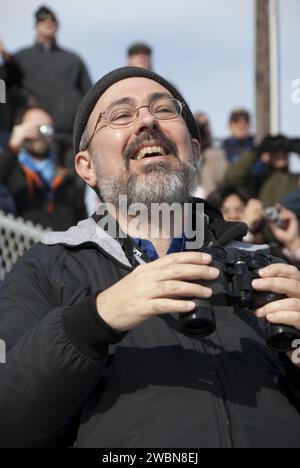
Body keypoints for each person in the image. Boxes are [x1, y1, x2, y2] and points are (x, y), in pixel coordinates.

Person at [1, 67, 300, 449]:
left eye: (164, 110)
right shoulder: (47, 268)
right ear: (86, 166)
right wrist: (93, 321)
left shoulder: (266, 268)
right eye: (121, 115)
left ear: (193, 149)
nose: (147, 121)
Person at [0, 6, 92, 164]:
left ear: (57, 25)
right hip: (34, 141)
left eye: (52, 19)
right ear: (36, 25)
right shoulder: (19, 59)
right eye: (43, 19)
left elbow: (90, 96)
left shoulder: (73, 60)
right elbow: (3, 89)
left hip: (70, 140)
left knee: (72, 185)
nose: (48, 21)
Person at [0, 105, 87, 230]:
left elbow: (81, 220)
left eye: (46, 128)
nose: (40, 134)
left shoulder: (67, 178)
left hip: (61, 246)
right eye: (33, 127)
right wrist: (13, 146)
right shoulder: (13, 170)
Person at [194, 112, 228, 196]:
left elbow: (223, 180)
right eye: (198, 124)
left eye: (205, 125)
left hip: (211, 201)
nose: (201, 129)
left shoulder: (218, 155)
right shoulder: (184, 154)